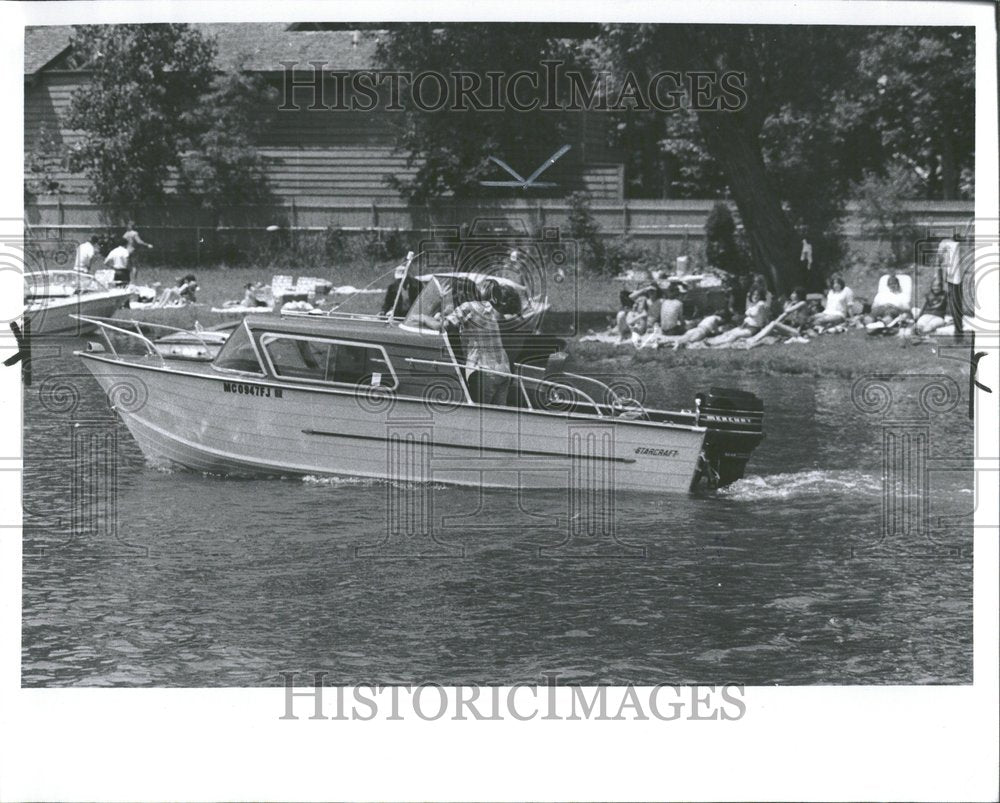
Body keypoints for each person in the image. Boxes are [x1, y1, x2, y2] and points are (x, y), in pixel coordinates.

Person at [443, 281, 510, 406]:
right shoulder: (496, 312)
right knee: (499, 419)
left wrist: (423, 318)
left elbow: (444, 326)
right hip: (504, 370)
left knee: (480, 417)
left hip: (483, 370)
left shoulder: (468, 307)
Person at [706, 287, 771, 346]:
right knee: (729, 333)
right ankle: (712, 341)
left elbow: (763, 316)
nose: (755, 296)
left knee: (735, 335)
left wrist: (764, 325)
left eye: (757, 295)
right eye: (754, 294)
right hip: (745, 326)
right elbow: (749, 316)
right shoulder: (753, 305)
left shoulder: (761, 304)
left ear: (760, 296)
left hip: (753, 329)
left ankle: (716, 343)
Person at [937, 232, 965, 340]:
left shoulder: (952, 245)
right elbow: (940, 259)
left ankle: (958, 333)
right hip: (950, 278)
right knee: (954, 306)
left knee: (956, 306)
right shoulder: (947, 244)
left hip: (955, 279)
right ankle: (958, 332)